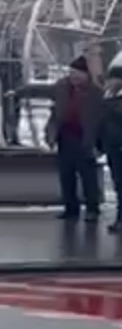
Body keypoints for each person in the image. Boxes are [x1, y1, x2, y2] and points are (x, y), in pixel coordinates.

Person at [52, 55, 103, 222]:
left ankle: (92, 209)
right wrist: (19, 92)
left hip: (84, 138)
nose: (74, 77)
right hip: (64, 136)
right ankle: (70, 208)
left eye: (77, 74)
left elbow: (100, 119)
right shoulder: (62, 87)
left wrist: (98, 142)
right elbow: (42, 91)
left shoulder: (95, 92)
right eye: (72, 73)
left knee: (88, 176)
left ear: (86, 75)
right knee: (66, 175)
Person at [98, 66, 122, 235]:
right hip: (112, 146)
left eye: (112, 79)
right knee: (118, 183)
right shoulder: (108, 96)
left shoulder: (115, 99)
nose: (109, 82)